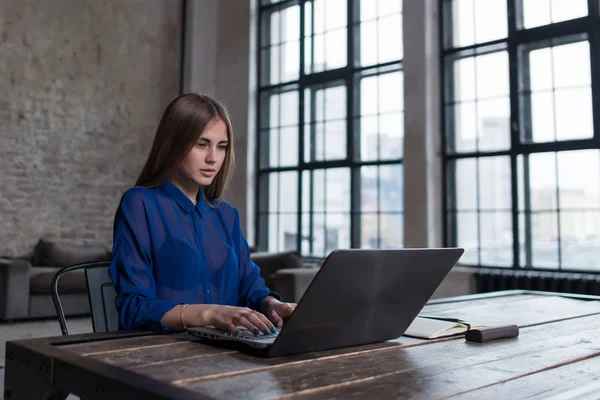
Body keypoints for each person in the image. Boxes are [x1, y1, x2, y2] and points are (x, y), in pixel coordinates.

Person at [109, 93, 296, 336]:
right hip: (161, 351)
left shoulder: (227, 215)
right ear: (174, 143)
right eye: (201, 144)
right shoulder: (140, 204)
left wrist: (273, 305)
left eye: (221, 147)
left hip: (229, 351)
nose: (213, 158)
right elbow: (133, 307)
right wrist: (210, 314)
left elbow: (250, 287)